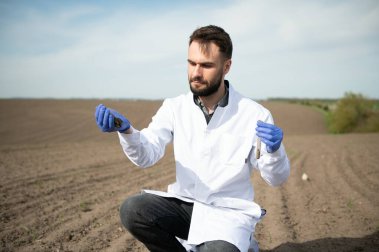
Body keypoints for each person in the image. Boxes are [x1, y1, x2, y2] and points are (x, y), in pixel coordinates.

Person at [95, 25, 290, 252]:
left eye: (206, 65)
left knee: (219, 250)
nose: (196, 73)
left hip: (227, 216)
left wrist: (275, 151)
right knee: (133, 210)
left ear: (226, 67)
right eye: (192, 63)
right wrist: (127, 131)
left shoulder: (255, 115)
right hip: (186, 207)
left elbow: (275, 179)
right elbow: (146, 155)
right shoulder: (174, 107)